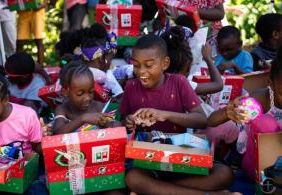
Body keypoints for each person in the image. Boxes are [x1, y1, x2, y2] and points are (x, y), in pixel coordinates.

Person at [121, 34, 235, 194]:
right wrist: (129, 122)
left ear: (165, 63)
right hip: (148, 162)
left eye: (148, 65)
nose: (141, 72)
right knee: (132, 177)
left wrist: (164, 115)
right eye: (137, 65)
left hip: (180, 157)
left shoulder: (178, 82)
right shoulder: (131, 87)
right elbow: (123, 123)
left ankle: (163, 190)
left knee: (224, 174)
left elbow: (202, 120)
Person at [208, 46, 282, 180]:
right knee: (266, 123)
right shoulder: (262, 98)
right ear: (270, 83)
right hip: (259, 164)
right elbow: (212, 121)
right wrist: (228, 112)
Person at [53, 61, 113, 134]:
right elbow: (58, 133)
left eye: (91, 92)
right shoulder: (62, 109)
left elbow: (118, 126)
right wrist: (83, 118)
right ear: (65, 92)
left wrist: (107, 124)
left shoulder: (100, 107)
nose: (87, 98)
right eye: (80, 94)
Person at [160, 26, 223, 95]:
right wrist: (208, 58)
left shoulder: (157, 80)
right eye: (189, 68)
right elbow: (218, 85)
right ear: (186, 68)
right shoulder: (180, 84)